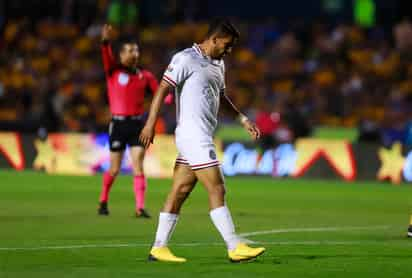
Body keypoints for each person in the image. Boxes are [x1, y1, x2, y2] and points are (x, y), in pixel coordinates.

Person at [139, 19, 265, 263]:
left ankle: (159, 247)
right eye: (226, 45)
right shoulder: (185, 58)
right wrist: (150, 123)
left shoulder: (219, 64)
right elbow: (162, 90)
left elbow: (221, 97)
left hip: (202, 135)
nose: (229, 51)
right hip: (193, 136)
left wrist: (242, 119)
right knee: (217, 188)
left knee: (180, 190)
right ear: (214, 39)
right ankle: (234, 246)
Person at [98, 24, 158, 218]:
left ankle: (140, 208)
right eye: (131, 50)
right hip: (118, 124)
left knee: (138, 164)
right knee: (114, 168)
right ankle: (103, 200)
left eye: (136, 49)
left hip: (136, 125)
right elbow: (106, 56)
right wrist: (105, 41)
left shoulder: (145, 76)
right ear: (122, 55)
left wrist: (169, 97)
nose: (135, 53)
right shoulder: (113, 72)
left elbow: (160, 94)